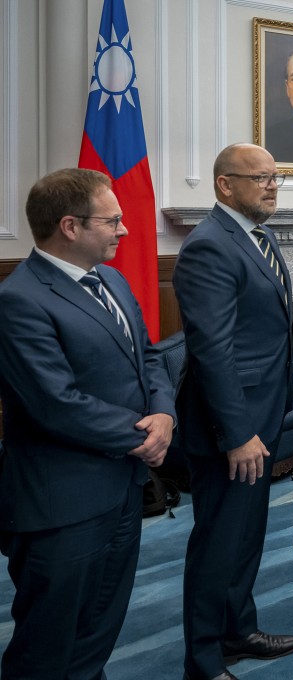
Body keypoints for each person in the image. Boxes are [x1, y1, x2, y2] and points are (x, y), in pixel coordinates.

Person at [0, 168, 176, 679]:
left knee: (100, 623)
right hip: (63, 504)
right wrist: (145, 437)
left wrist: (164, 414)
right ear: (71, 226)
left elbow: (149, 356)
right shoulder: (20, 300)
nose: (125, 231)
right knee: (47, 643)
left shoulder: (112, 278)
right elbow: (56, 403)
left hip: (121, 488)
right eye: (112, 220)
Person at [174, 144, 293, 680]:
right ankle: (203, 660)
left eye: (277, 178)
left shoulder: (262, 237)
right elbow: (213, 351)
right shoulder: (209, 246)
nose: (273, 187)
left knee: (246, 535)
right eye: (262, 178)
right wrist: (238, 432)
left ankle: (238, 629)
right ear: (225, 185)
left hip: (262, 415)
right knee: (218, 542)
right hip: (232, 428)